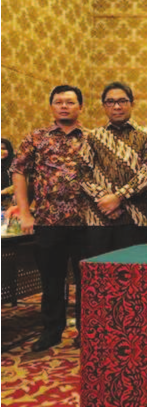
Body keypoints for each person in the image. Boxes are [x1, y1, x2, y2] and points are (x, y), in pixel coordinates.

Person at [11, 85, 88, 351]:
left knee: (86, 282)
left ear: (80, 107)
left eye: (70, 102)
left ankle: (85, 331)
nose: (64, 106)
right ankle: (51, 331)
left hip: (86, 223)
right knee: (51, 280)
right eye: (58, 102)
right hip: (47, 222)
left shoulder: (93, 138)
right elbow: (19, 171)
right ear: (51, 106)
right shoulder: (36, 137)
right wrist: (24, 212)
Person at [79, 82, 147, 257]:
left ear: (132, 103)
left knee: (134, 269)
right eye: (110, 102)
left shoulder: (146, 135)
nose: (117, 106)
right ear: (104, 106)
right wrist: (105, 200)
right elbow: (83, 174)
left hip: (136, 218)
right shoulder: (93, 136)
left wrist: (118, 197)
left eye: (122, 101)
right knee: (99, 270)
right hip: (99, 217)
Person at [1, 138, 15, 208]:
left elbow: (18, 185)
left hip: (9, 203)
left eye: (3, 149)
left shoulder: (14, 166)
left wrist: (4, 192)